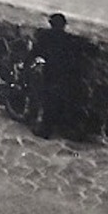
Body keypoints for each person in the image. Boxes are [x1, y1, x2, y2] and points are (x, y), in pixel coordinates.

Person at [29, 12, 84, 140]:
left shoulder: (45, 36)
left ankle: (45, 130)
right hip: (65, 73)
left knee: (48, 99)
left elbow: (36, 52)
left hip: (50, 72)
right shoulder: (68, 39)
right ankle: (63, 127)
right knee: (61, 99)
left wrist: (30, 63)